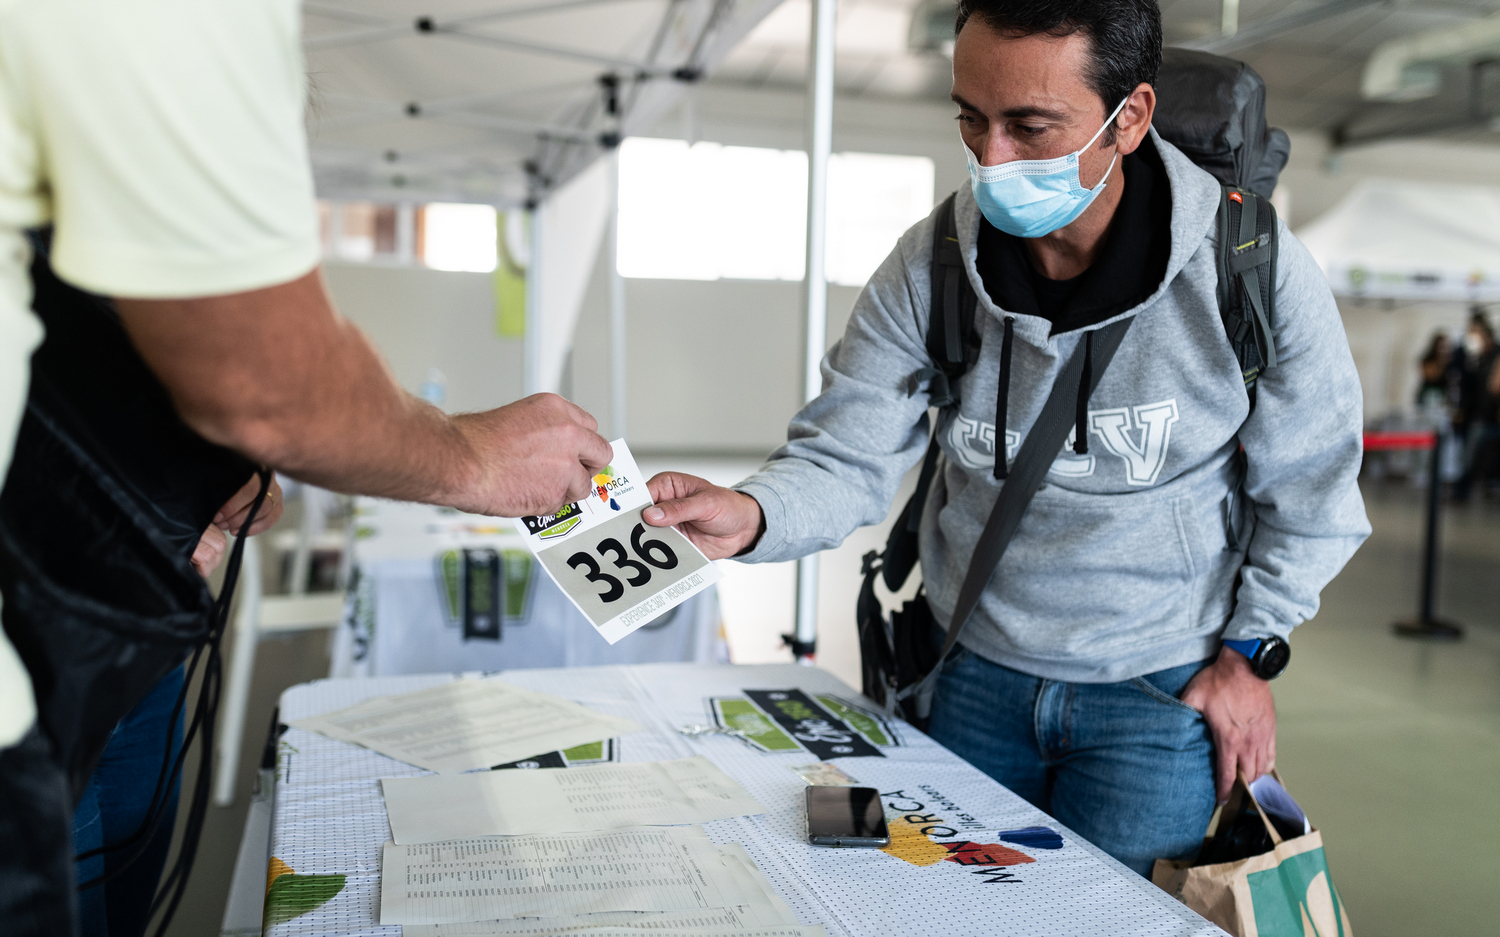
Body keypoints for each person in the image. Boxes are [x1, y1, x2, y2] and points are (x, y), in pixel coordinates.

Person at [644, 0, 1369, 876]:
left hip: (1156, 695)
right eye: (970, 120)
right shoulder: (934, 263)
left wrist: (1250, 656)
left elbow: (1316, 488)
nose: (991, 160)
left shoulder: (1248, 267)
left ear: (1128, 118)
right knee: (949, 908)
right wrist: (753, 511)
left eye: (1030, 126)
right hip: (968, 676)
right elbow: (848, 451)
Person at [0, 3, 612, 933]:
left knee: (122, 884)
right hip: (32, 675)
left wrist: (219, 476)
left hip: (133, 633)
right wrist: (470, 453)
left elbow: (162, 375)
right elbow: (263, 383)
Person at [1454, 311, 1500, 502]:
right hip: (1478, 414)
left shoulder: (1495, 355)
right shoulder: (1473, 357)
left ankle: (1467, 491)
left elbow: (1494, 387)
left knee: (1474, 455)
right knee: (1470, 455)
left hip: (1490, 415)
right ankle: (1463, 492)